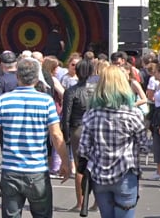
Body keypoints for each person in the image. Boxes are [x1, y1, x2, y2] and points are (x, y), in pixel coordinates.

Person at [0, 58, 70, 218]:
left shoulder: (4, 100)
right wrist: (65, 162)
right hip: (37, 171)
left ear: (17, 76)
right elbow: (56, 134)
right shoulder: (46, 101)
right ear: (37, 78)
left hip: (11, 170)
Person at [78, 66, 148, 218]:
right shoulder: (133, 114)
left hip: (99, 176)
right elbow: (144, 146)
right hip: (125, 174)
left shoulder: (91, 114)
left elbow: (83, 149)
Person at [61, 59, 95, 211]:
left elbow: (66, 117)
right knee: (97, 165)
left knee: (80, 166)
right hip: (95, 128)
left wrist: (66, 138)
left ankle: (81, 203)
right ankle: (97, 203)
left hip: (78, 129)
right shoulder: (97, 90)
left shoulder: (71, 91)